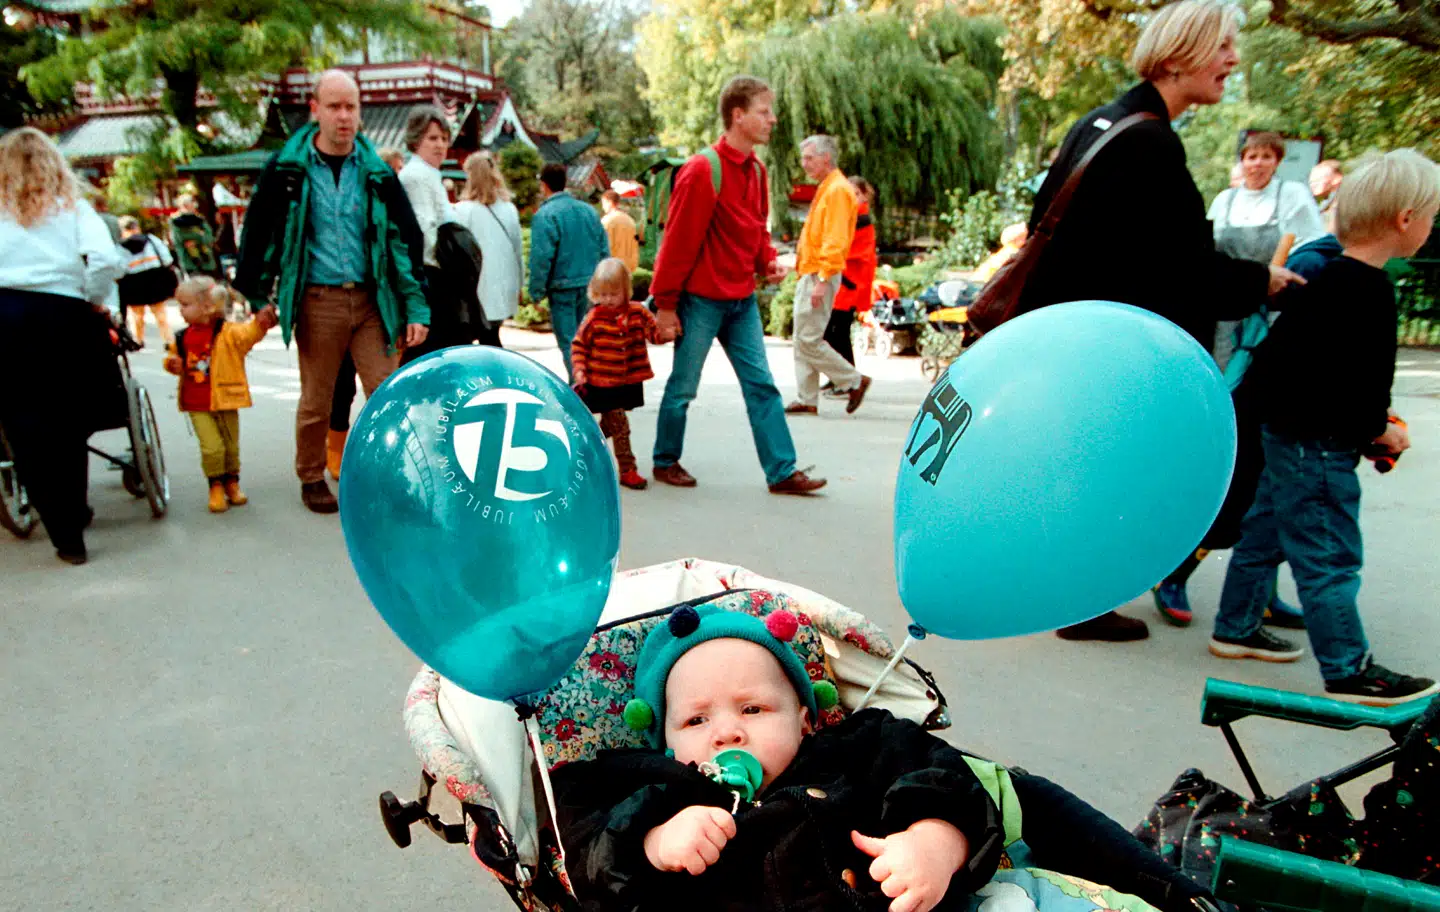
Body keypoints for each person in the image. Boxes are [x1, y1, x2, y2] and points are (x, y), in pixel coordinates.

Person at [552, 604, 1219, 912]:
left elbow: (938, 775)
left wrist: (937, 838)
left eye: (753, 710)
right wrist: (649, 843)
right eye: (697, 720)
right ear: (665, 742)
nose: (726, 733)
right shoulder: (653, 791)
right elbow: (578, 846)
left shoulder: (857, 747)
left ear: (808, 717)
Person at [1012, 0, 1305, 643]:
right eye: (1222, 46)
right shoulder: (1150, 140)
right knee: (1111, 470)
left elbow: (1056, 223)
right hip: (1109, 342)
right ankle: (1082, 603)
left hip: (1070, 331)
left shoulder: (1102, 123)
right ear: (1178, 56)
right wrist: (1262, 280)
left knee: (1089, 466)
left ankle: (1079, 596)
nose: (1232, 60)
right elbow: (1184, 266)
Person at [1208, 149, 1439, 706]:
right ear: (1405, 219)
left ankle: (1235, 625)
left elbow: (1286, 368)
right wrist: (1377, 430)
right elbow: (1359, 390)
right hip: (1320, 450)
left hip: (1284, 436)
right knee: (1329, 553)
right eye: (1432, 214)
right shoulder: (1370, 291)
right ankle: (1348, 667)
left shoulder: (1324, 281)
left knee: (1263, 530)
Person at [233, 68, 430, 514]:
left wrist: (415, 304)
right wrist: (256, 292)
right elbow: (258, 229)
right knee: (317, 399)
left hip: (373, 301)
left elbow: (406, 237)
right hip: (317, 300)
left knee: (386, 393)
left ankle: (390, 473)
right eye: (335, 106)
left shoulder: (377, 172)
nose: (344, 116)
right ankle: (310, 475)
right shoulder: (288, 170)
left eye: (352, 107)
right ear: (315, 109)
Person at [648, 76, 827, 495]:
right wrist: (667, 306)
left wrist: (765, 261)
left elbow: (754, 230)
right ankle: (664, 460)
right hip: (699, 302)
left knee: (762, 385)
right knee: (683, 388)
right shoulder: (701, 170)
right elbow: (677, 243)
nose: (773, 119)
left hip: (741, 299)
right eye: (764, 112)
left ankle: (782, 472)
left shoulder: (758, 170)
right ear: (738, 115)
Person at [0, 126, 123, 565]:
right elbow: (106, 259)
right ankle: (76, 512)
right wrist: (91, 298)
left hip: (5, 317)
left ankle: (61, 529)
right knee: (69, 422)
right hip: (63, 315)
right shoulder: (73, 209)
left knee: (23, 427)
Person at [1207, 131, 1327, 370]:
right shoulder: (1225, 199)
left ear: (1277, 161)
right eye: (1252, 157)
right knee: (1222, 363)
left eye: (1266, 156)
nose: (1258, 163)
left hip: (1273, 299)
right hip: (1231, 299)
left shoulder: (1292, 194)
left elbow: (1311, 240)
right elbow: (1209, 246)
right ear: (1243, 161)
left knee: (1264, 365)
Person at [163, 278, 276, 513]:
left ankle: (232, 483)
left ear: (206, 306)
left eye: (185, 304)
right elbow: (174, 358)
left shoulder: (228, 332)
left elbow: (248, 334)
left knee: (230, 446)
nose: (180, 310)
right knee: (212, 447)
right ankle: (215, 484)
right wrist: (172, 364)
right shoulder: (182, 336)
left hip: (225, 400)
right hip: (196, 403)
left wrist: (261, 324)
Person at [329, 147, 409, 479]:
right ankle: (335, 447)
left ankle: (387, 455)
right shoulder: (357, 206)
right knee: (342, 382)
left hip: (383, 307)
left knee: (383, 385)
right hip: (347, 300)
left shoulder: (397, 208)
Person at [786, 135, 870, 416]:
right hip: (813, 272)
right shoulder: (830, 188)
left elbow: (835, 239)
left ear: (826, 158)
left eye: (809, 158)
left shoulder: (836, 191)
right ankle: (807, 397)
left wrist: (822, 279)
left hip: (819, 274)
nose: (804, 163)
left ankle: (853, 380)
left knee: (808, 339)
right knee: (803, 337)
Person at [571, 259, 672, 491]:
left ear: (625, 291)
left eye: (613, 294)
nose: (607, 300)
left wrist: (666, 334)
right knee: (620, 426)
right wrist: (579, 369)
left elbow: (653, 334)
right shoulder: (595, 318)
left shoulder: (637, 312)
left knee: (609, 424)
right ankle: (628, 469)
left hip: (626, 382)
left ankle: (582, 450)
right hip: (601, 383)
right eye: (602, 294)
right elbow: (579, 345)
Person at [399, 105, 481, 364]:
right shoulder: (416, 176)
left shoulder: (429, 174)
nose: (440, 145)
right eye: (432, 138)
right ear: (416, 140)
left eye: (444, 139)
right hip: (432, 275)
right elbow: (423, 231)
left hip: (441, 276)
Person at [528, 163, 609, 381]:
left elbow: (541, 257)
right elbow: (604, 249)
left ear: (544, 185)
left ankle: (581, 390)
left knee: (570, 343)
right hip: (590, 285)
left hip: (562, 286)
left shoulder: (546, 215)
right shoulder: (589, 211)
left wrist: (536, 292)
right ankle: (595, 385)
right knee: (589, 341)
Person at [452, 149, 522, 344]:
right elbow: (517, 251)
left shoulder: (462, 210)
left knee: (473, 340)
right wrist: (520, 284)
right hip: (502, 286)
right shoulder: (509, 209)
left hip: (475, 289)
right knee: (492, 337)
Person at [821, 175, 877, 389]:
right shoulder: (853, 217)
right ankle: (840, 376)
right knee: (833, 331)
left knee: (837, 332)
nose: (851, 198)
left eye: (855, 194)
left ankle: (849, 379)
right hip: (846, 283)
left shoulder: (860, 219)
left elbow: (846, 248)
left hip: (850, 284)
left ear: (864, 195)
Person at [116, 215, 177, 347]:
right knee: (160, 314)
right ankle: (168, 339)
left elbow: (120, 268)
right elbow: (166, 258)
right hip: (154, 279)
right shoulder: (151, 239)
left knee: (137, 316)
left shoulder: (120, 247)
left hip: (133, 282)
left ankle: (138, 340)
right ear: (137, 227)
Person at [170, 193, 220, 279]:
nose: (194, 205)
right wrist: (200, 234)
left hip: (207, 263)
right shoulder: (176, 222)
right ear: (185, 205)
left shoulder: (200, 220)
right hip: (190, 264)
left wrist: (196, 240)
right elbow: (179, 239)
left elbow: (210, 237)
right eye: (192, 202)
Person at [600, 189, 641, 273]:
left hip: (611, 268)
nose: (602, 207)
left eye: (603, 203)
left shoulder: (606, 221)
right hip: (628, 267)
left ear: (610, 202)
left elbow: (603, 246)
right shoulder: (630, 220)